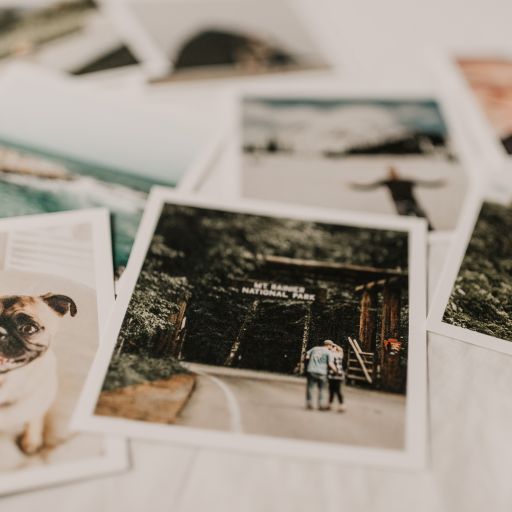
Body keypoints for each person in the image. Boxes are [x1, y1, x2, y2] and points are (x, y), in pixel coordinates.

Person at [350, 166, 445, 230]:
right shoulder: (387, 182)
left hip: (412, 203)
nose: (392, 174)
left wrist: (439, 183)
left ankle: (432, 232)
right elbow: (369, 186)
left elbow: (426, 183)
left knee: (423, 218)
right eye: (391, 173)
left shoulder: (407, 181)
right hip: (400, 204)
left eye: (393, 172)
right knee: (404, 222)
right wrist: (355, 186)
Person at [305, 340, 337, 410]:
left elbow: (307, 356)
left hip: (311, 370)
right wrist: (336, 371)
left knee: (310, 387)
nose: (331, 347)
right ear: (329, 345)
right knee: (322, 389)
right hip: (322, 372)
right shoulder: (329, 353)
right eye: (331, 346)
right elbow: (330, 364)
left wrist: (311, 361)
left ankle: (309, 403)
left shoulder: (314, 348)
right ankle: (321, 405)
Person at [327, 344, 345, 412]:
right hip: (332, 375)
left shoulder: (339, 355)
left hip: (337, 375)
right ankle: (330, 405)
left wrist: (335, 346)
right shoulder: (332, 355)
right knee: (331, 390)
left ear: (336, 349)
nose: (331, 348)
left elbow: (340, 349)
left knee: (337, 391)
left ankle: (342, 405)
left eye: (333, 347)